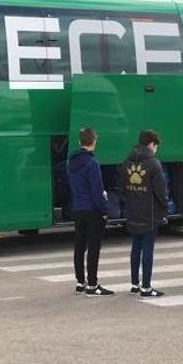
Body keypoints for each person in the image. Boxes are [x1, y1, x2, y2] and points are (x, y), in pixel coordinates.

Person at [120, 130, 167, 298]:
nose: (156, 150)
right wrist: (164, 210)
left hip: (133, 211)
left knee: (136, 247)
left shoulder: (126, 163)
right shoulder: (154, 164)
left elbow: (122, 189)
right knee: (148, 249)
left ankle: (134, 284)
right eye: (156, 146)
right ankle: (146, 287)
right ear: (151, 144)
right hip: (150, 213)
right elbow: (161, 192)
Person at [68, 127, 114, 297]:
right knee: (94, 248)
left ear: (80, 142)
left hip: (78, 207)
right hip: (92, 210)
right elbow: (97, 190)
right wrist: (104, 210)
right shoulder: (92, 163)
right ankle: (93, 284)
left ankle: (80, 282)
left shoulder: (71, 162)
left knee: (80, 245)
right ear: (94, 142)